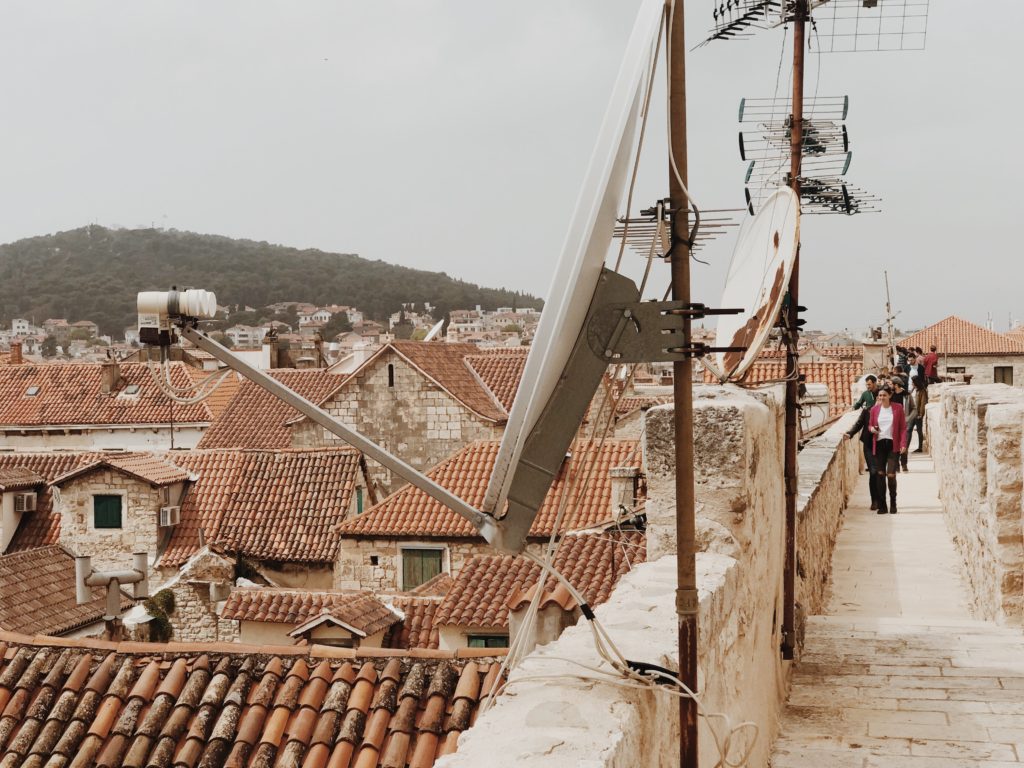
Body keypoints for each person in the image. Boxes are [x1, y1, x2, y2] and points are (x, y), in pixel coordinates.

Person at [868, 386, 907, 514]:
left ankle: (893, 503)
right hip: (879, 444)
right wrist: (872, 429)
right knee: (880, 475)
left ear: (890, 395)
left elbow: (902, 428)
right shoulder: (874, 410)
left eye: (884, 395)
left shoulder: (897, 408)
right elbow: (870, 425)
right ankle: (883, 505)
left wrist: (903, 444)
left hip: (892, 444)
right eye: (880, 395)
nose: (882, 398)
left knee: (891, 475)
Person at [845, 402, 882, 510]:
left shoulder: (888, 411)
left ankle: (881, 499)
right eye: (878, 396)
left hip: (882, 446)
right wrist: (850, 433)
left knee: (881, 473)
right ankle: (874, 500)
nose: (880, 399)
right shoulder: (867, 410)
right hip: (869, 446)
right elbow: (859, 423)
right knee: (873, 472)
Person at [906, 374, 928, 453]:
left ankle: (920, 447)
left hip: (917, 414)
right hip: (911, 413)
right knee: (908, 430)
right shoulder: (912, 390)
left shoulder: (922, 391)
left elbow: (923, 403)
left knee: (919, 431)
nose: (912, 383)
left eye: (913, 382)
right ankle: (906, 447)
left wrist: (921, 414)